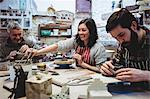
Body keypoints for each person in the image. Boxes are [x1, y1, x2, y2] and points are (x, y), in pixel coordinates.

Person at [25, 18, 106, 72]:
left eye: (84, 30)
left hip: (94, 78)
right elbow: (58, 46)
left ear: (91, 31)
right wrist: (37, 52)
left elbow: (100, 69)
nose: (80, 33)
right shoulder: (76, 41)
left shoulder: (98, 48)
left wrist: (82, 64)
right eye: (79, 30)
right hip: (79, 74)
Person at [100, 8, 150, 82]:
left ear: (134, 25)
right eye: (116, 38)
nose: (120, 41)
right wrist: (107, 67)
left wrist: (146, 75)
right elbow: (116, 64)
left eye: (121, 35)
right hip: (133, 91)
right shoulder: (124, 44)